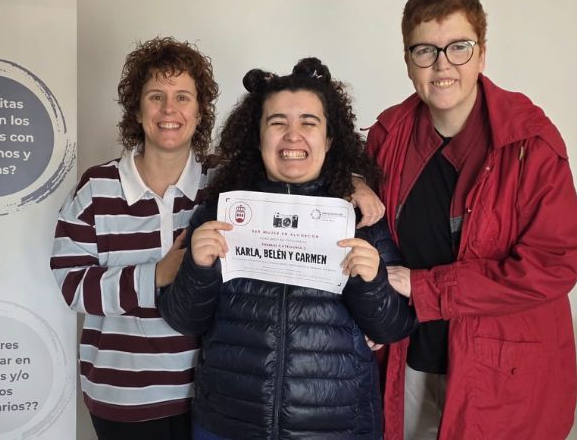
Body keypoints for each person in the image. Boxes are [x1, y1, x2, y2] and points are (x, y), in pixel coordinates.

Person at [51, 40, 384, 440]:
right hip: (122, 396)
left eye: (183, 97)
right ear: (137, 110)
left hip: (200, 395)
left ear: (200, 110)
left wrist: (354, 182)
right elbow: (71, 286)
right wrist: (156, 275)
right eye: (156, 96)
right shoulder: (97, 187)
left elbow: (293, 167)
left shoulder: (223, 186)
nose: (169, 109)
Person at [367, 0, 577, 439]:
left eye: (458, 47)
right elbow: (367, 234)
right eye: (425, 50)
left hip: (500, 374)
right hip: (409, 357)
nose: (442, 64)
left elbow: (552, 266)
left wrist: (426, 287)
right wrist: (351, 180)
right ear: (408, 61)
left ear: (482, 55)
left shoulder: (531, 144)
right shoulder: (389, 134)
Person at [158, 58, 416, 439]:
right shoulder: (221, 211)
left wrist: (373, 280)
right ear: (258, 136)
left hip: (336, 428)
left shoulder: (362, 216)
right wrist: (198, 268)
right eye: (277, 122)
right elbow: (183, 320)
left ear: (329, 139)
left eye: (308, 123)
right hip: (228, 423)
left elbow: (393, 327)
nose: (293, 135)